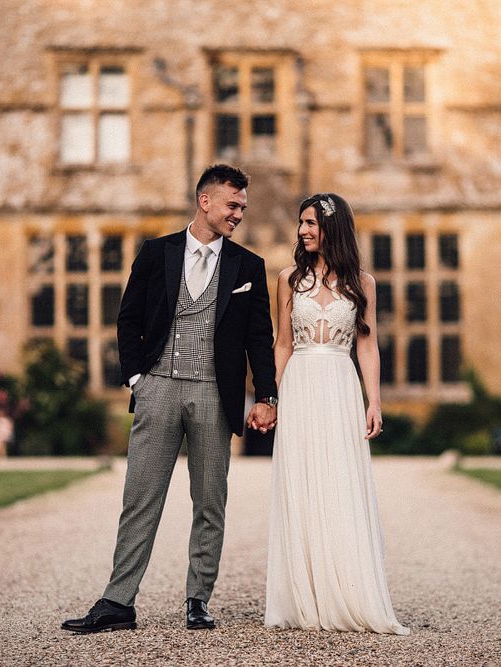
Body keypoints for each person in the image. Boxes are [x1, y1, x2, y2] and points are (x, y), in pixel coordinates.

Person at [61, 164, 277, 634]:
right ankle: (118, 602)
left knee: (210, 501)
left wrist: (266, 395)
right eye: (232, 205)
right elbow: (128, 317)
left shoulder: (248, 267)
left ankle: (198, 599)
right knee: (140, 497)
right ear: (205, 201)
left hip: (214, 395)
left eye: (243, 206)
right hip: (157, 386)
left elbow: (260, 337)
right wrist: (138, 377)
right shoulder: (156, 252)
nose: (239, 213)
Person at [263, 193, 409, 635]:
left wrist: (375, 401)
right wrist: (270, 399)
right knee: (303, 486)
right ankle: (307, 596)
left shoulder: (363, 283)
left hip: (341, 386)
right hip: (301, 384)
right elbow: (283, 344)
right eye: (301, 223)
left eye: (311, 223)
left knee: (341, 485)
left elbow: (366, 343)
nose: (303, 230)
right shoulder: (288, 278)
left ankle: (347, 591)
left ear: (333, 227)